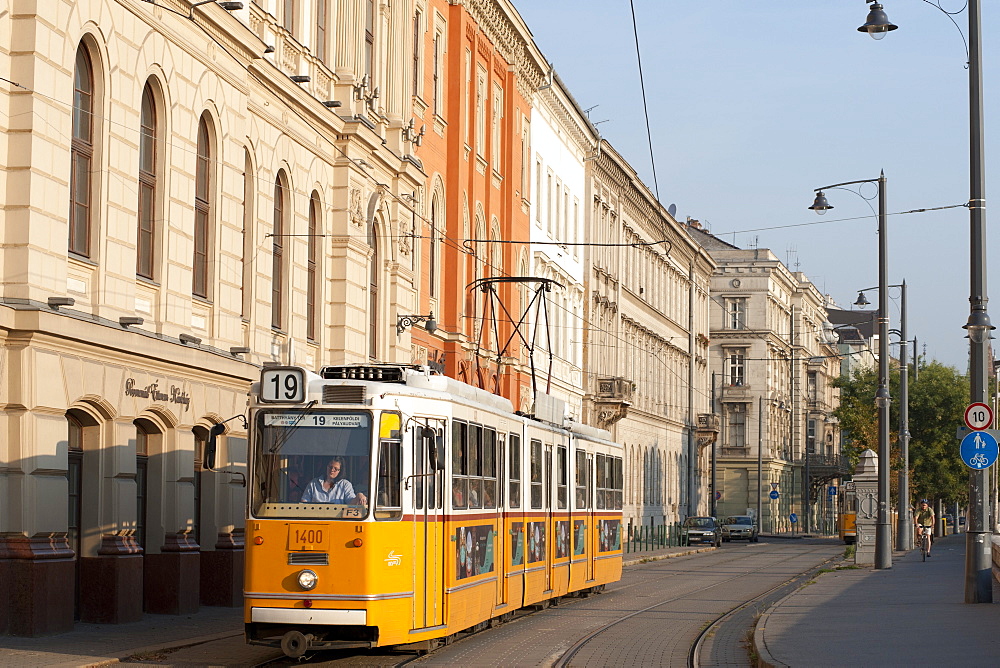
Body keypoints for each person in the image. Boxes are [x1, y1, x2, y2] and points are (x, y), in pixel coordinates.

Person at [300, 457, 367, 505]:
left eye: (335, 468)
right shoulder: (314, 483)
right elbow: (304, 503)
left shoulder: (345, 484)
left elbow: (351, 502)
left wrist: (359, 495)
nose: (332, 470)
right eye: (330, 467)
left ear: (340, 471)